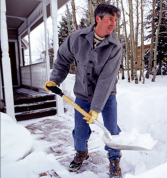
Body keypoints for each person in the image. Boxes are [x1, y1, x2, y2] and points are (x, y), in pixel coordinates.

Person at [44, 3, 122, 178]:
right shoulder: (77, 38)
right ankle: (81, 152)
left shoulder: (115, 47)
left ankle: (114, 158)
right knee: (80, 129)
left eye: (115, 20)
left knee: (111, 129)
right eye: (110, 19)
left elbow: (106, 79)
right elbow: (63, 59)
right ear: (98, 19)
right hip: (83, 93)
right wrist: (54, 80)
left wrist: (96, 108)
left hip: (107, 95)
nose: (113, 24)